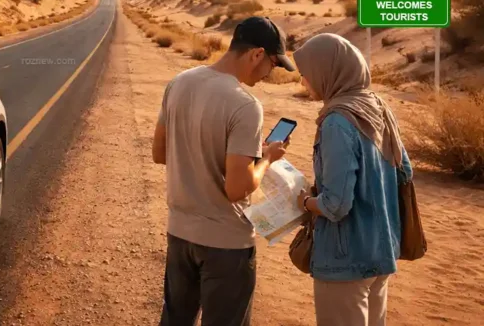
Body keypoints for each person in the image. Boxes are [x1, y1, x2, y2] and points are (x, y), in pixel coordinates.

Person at [152, 16, 295, 326]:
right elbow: (237, 188)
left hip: (179, 234)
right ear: (257, 54)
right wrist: (267, 158)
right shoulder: (245, 105)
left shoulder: (179, 82)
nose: (270, 72)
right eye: (273, 63)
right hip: (226, 244)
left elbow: (159, 153)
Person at [292, 33, 413, 326]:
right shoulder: (378, 107)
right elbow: (404, 172)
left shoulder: (337, 121)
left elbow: (335, 206)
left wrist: (305, 202)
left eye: (306, 74)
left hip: (344, 260)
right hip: (381, 251)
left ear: (327, 71)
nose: (303, 81)